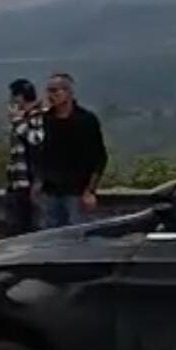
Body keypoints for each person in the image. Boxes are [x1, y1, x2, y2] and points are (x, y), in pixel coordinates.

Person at [36, 73, 108, 228]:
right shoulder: (45, 120)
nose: (51, 95)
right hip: (50, 191)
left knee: (78, 235)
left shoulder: (86, 120)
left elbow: (99, 157)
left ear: (68, 92)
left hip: (76, 191)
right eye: (49, 91)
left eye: (56, 91)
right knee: (50, 237)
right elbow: (38, 153)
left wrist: (90, 190)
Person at [6, 78, 45, 235]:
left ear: (20, 97)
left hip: (27, 182)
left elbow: (35, 140)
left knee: (27, 227)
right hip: (17, 182)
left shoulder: (36, 117)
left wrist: (17, 120)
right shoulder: (26, 117)